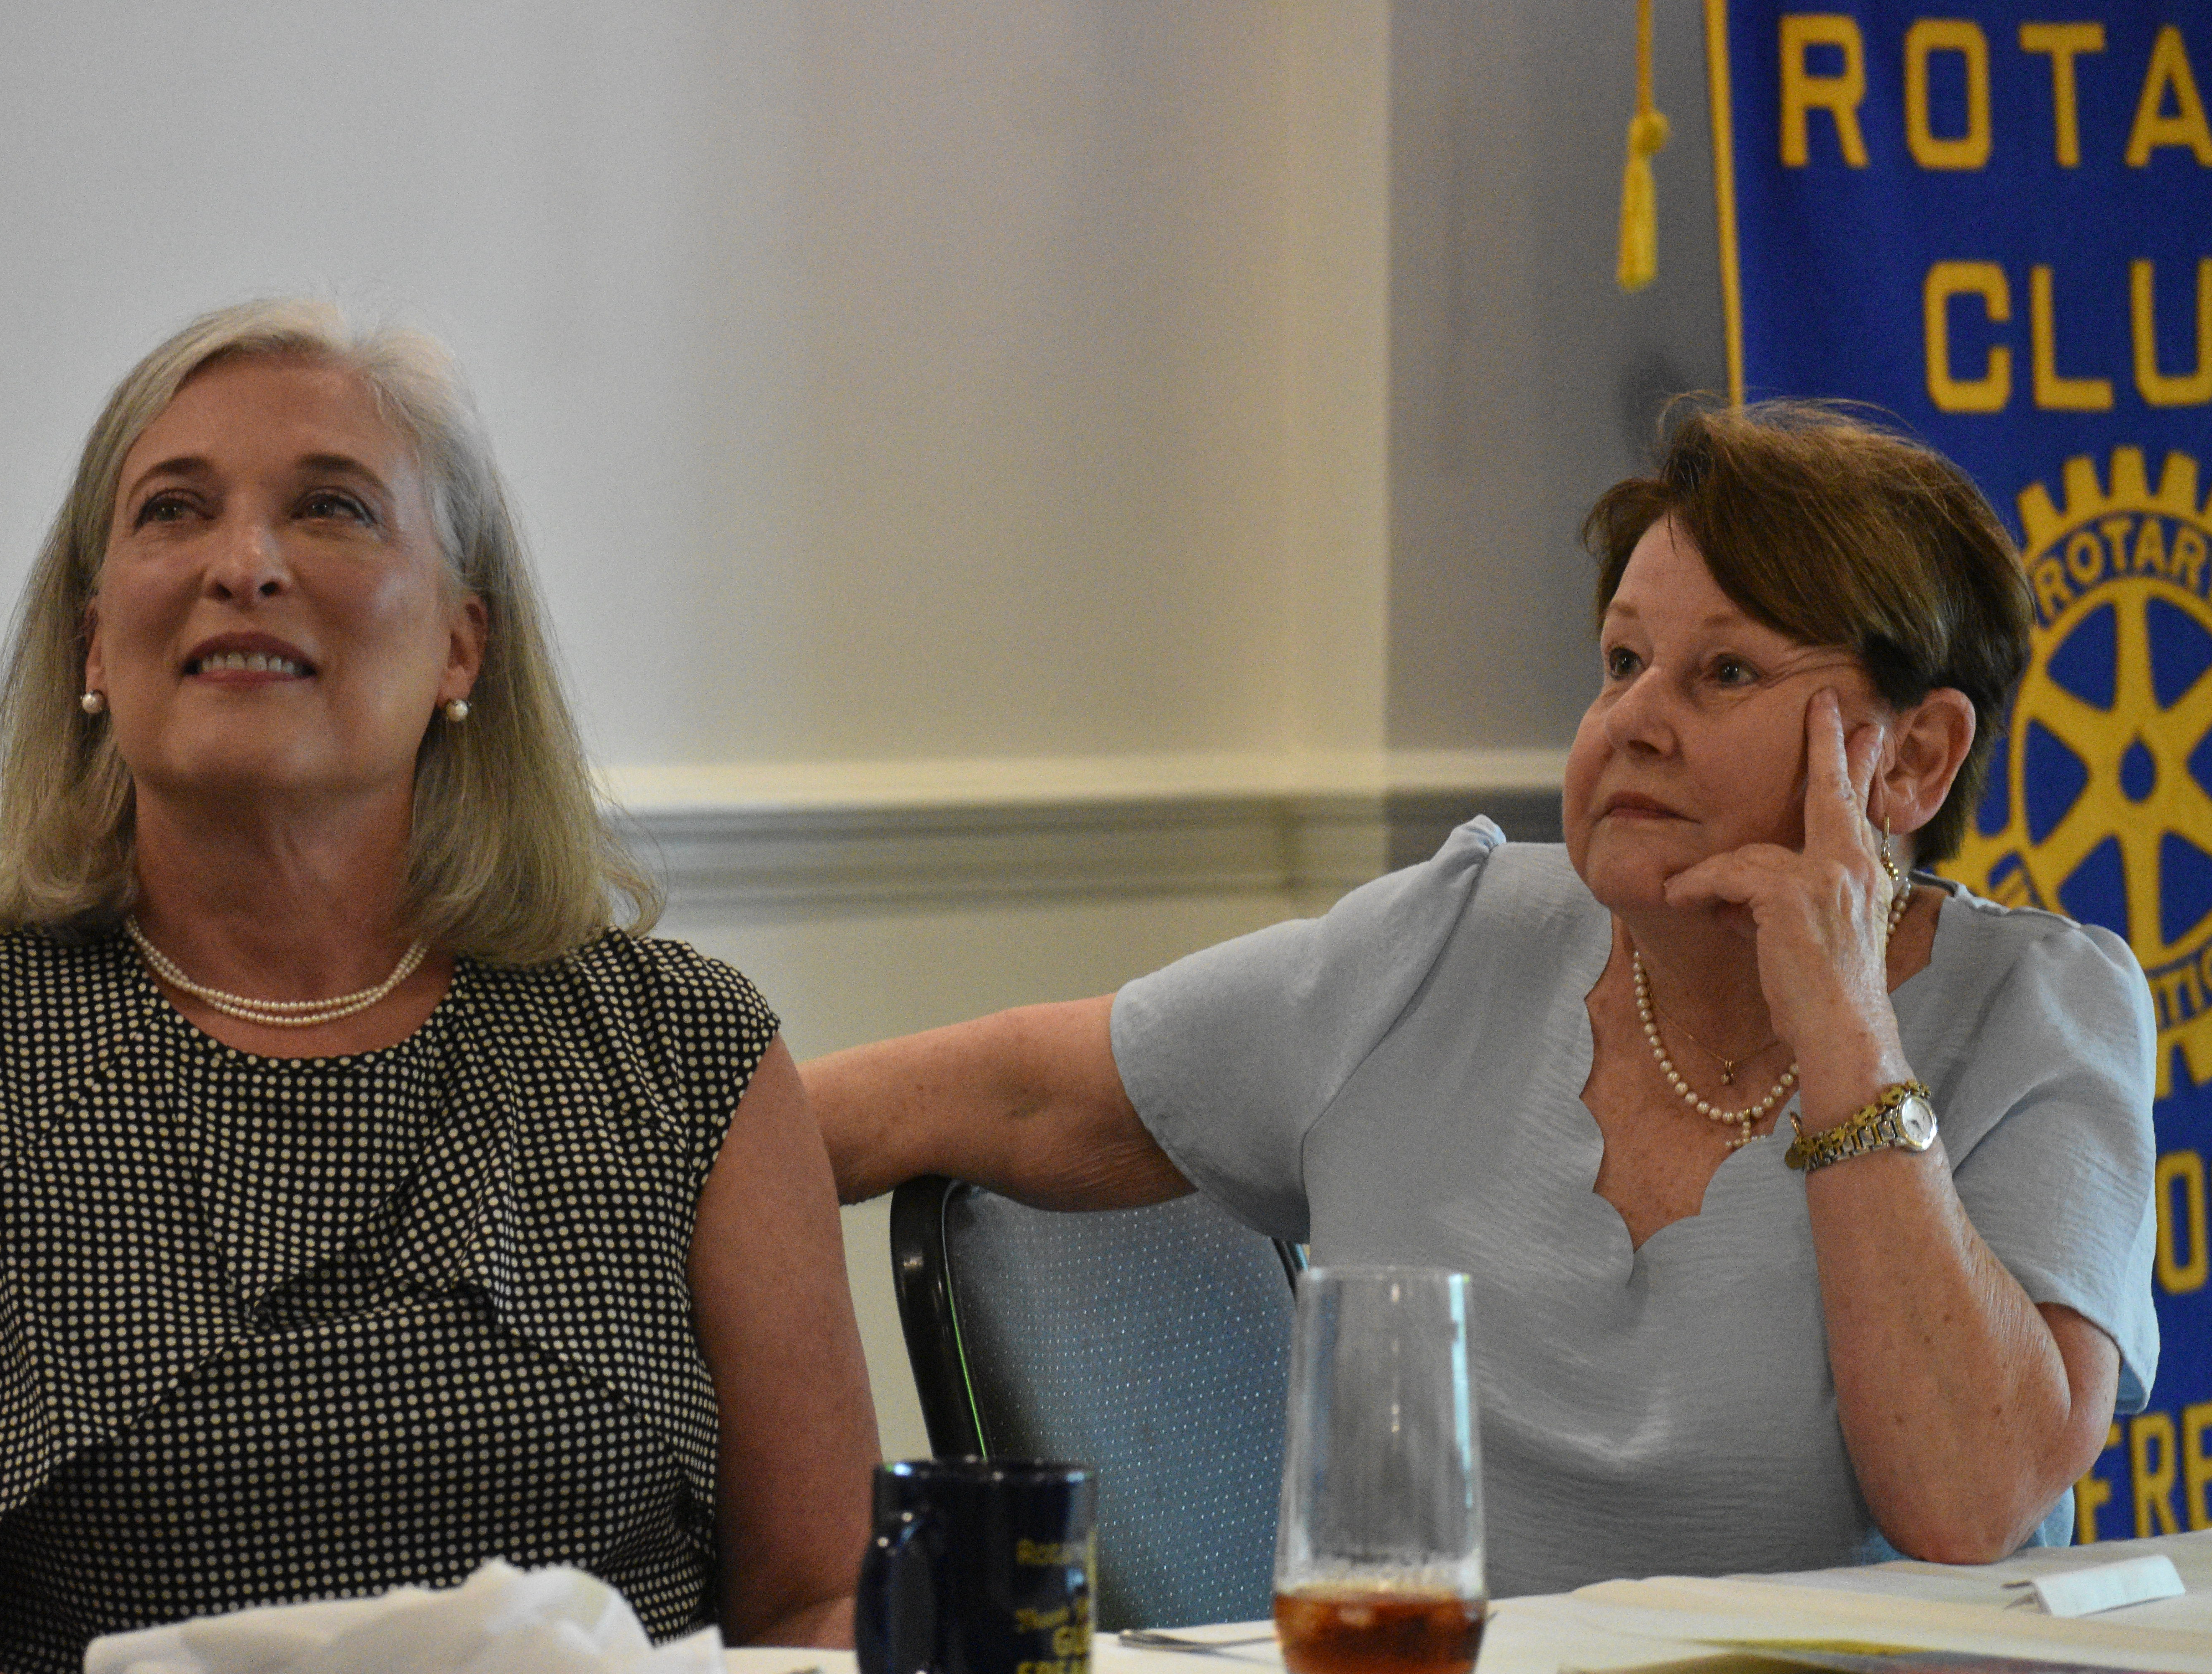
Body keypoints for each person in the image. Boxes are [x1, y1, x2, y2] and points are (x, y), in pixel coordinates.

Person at [812, 403, 2160, 1596]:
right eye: (1622, 662)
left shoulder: (2041, 1012)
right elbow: (1017, 1095)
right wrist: (702, 1126)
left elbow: (1969, 1504)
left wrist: (1849, 1031)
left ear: (1914, 759)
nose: (1633, 721)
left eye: (1726, 673)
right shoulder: (1448, 942)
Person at [0, 300, 879, 1674]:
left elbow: (825, 1606)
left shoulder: (690, 1048)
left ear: (463, 644)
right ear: (94, 645)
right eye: (174, 511)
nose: (244, 564)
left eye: (333, 509)